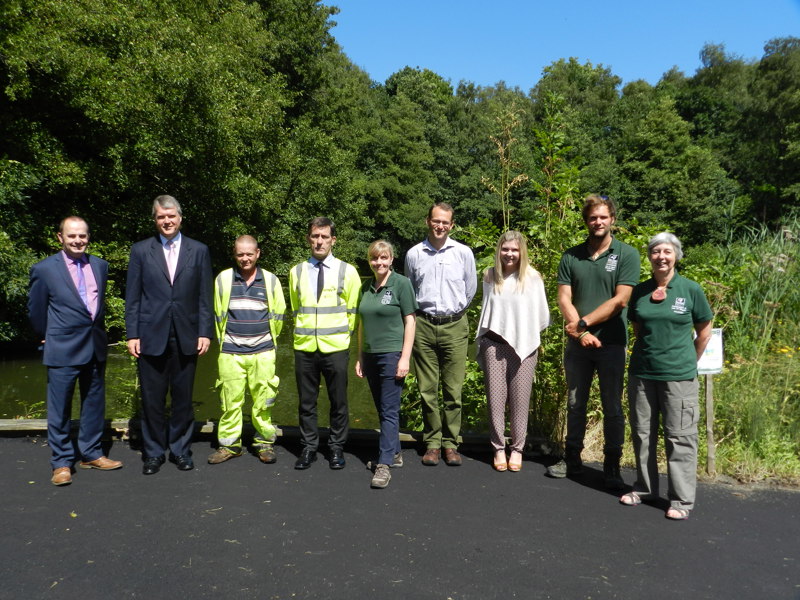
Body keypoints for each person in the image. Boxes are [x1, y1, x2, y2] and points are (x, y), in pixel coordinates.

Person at [548, 194, 640, 488]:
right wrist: (581, 333)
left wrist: (585, 324)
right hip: (579, 345)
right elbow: (564, 297)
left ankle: (611, 463)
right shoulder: (571, 256)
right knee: (575, 402)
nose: (597, 222)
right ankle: (572, 457)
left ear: (613, 219)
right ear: (586, 221)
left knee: (612, 405)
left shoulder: (626, 254)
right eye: (592, 218)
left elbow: (621, 299)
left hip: (611, 343)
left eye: (603, 217)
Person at [619, 232, 712, 520]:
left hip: (679, 377)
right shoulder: (640, 291)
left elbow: (704, 331)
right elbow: (638, 329)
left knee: (680, 436)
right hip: (643, 374)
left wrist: (686, 361)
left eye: (667, 252)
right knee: (642, 434)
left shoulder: (690, 289)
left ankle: (681, 500)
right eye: (656, 251)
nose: (661, 256)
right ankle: (644, 488)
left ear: (676, 256)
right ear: (650, 256)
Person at [28, 216, 123, 486]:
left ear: (88, 237)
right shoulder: (45, 269)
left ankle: (92, 453)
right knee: (59, 409)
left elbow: (96, 307)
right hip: (61, 347)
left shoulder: (100, 265)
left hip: (94, 344)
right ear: (60, 237)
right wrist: (44, 336)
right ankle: (61, 463)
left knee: (93, 403)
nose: (78, 240)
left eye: (82, 235)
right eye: (72, 236)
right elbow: (36, 310)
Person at [125, 195, 213, 475]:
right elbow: (133, 297)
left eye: (171, 216)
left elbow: (204, 296)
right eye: (161, 217)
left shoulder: (198, 251)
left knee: (183, 398)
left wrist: (205, 332)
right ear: (155, 219)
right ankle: (153, 453)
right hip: (150, 334)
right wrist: (132, 334)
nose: (167, 221)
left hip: (187, 334)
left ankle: (180, 450)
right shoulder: (141, 251)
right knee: (151, 398)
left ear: (180, 218)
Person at [405, 202, 477, 466]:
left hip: (455, 325)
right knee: (427, 389)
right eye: (436, 221)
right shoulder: (414, 254)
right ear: (428, 221)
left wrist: (453, 314)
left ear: (452, 225)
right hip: (423, 324)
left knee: (453, 390)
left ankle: (451, 443)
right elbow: (409, 291)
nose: (440, 226)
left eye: (445, 222)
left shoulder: (463, 253)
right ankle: (432, 442)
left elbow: (470, 290)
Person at [207, 236, 286, 465]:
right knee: (230, 402)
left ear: (258, 253)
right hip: (230, 351)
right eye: (240, 254)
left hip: (263, 351)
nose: (245, 258)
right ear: (235, 254)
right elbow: (217, 312)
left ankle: (264, 443)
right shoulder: (223, 279)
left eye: (249, 254)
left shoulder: (270, 280)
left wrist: (267, 340)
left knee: (263, 401)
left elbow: (279, 315)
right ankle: (230, 446)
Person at [290, 217, 361, 470]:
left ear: (333, 240)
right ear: (309, 238)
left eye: (324, 236)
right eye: (314, 236)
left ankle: (335, 448)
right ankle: (308, 447)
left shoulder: (348, 271)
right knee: (306, 402)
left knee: (338, 401)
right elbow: (296, 307)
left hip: (336, 347)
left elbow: (353, 311)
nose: (319, 241)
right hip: (305, 346)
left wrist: (343, 339)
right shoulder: (296, 272)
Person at [476, 231, 549, 472]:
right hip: (493, 345)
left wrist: (526, 335)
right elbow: (487, 311)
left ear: (522, 252)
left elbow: (541, 315)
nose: (509, 254)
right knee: (495, 401)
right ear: (499, 251)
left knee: (520, 401)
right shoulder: (489, 276)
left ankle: (517, 449)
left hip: (524, 348)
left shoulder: (533, 277)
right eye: (505, 249)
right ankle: (498, 448)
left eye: (514, 250)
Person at [355, 240, 418, 488]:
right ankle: (395, 453)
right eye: (374, 258)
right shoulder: (365, 286)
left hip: (392, 354)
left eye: (384, 258)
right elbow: (361, 323)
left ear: (391, 259)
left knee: (389, 411)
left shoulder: (401, 284)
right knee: (383, 409)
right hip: (370, 355)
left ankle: (383, 465)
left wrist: (405, 357)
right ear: (369, 261)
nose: (379, 263)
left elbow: (410, 322)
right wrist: (360, 355)